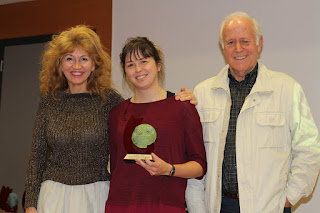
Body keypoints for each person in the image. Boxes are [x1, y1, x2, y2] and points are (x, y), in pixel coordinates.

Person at [25, 26, 195, 213]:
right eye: (69, 59)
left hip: (96, 195)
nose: (76, 66)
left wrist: (179, 100)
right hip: (54, 196)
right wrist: (31, 205)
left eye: (84, 59)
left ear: (94, 64)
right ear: (60, 64)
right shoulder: (49, 102)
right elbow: (36, 157)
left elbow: (146, 116)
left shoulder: (109, 101)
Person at [186, 11, 320, 213]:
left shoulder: (287, 89)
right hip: (219, 206)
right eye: (230, 42)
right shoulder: (203, 93)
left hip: (268, 207)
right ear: (223, 47)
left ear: (259, 44)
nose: (238, 48)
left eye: (245, 41)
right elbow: (195, 158)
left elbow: (309, 149)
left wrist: (289, 197)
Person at [105, 37, 207, 213]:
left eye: (144, 61)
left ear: (158, 65)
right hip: (120, 206)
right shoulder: (116, 113)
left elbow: (199, 167)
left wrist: (169, 169)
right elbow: (115, 169)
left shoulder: (182, 107)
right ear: (125, 72)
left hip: (165, 206)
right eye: (130, 65)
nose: (138, 69)